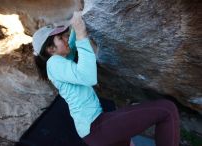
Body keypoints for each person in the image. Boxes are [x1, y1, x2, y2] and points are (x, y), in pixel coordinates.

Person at [32, 11, 180, 146]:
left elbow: (72, 44)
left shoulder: (61, 62)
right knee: (167, 110)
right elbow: (88, 77)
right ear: (50, 49)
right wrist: (81, 33)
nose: (64, 39)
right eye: (60, 38)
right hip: (96, 128)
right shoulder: (54, 63)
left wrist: (75, 24)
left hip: (95, 130)